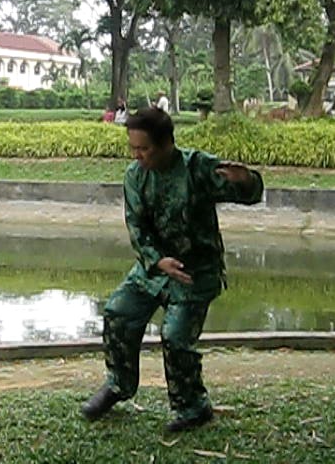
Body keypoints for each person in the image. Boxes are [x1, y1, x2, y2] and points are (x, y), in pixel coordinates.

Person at [81, 108, 263, 432]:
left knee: (176, 336)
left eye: (144, 149)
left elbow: (249, 193)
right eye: (133, 149)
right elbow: (136, 225)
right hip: (154, 268)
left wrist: (246, 181)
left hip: (196, 272)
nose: (137, 156)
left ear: (166, 144)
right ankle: (118, 385)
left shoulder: (197, 167)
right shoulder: (135, 176)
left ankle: (193, 407)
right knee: (117, 311)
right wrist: (156, 260)